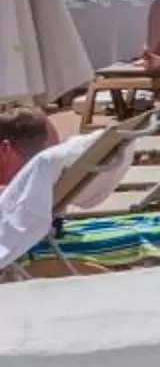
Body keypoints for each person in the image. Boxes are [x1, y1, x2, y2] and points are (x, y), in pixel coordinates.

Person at [0, 99, 128, 268]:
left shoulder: (30, 180)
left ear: (5, 147)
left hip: (20, 232)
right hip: (45, 225)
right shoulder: (49, 172)